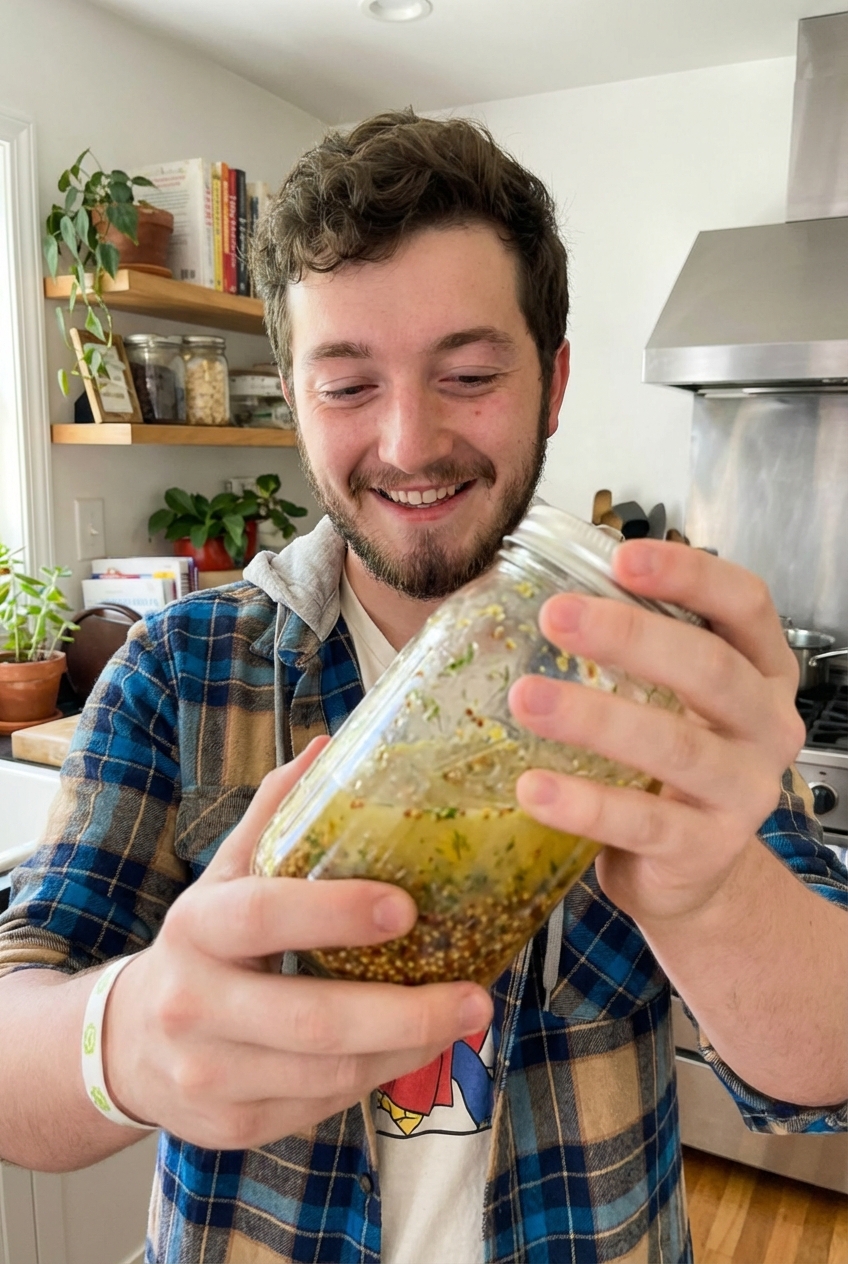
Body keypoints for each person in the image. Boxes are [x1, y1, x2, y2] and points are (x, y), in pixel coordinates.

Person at [0, 110, 845, 1264]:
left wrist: (710, 895)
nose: (408, 441)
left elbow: (821, 1075)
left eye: (467, 373)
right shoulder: (184, 669)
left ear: (549, 383)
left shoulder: (656, 686)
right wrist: (128, 1035)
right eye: (346, 385)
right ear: (291, 397)